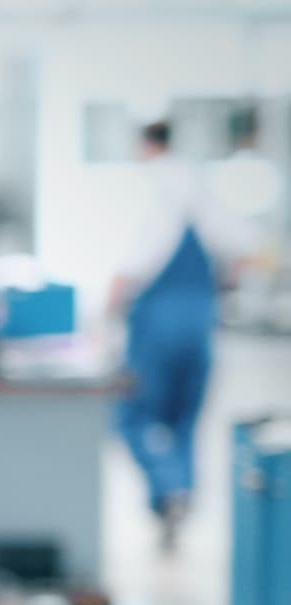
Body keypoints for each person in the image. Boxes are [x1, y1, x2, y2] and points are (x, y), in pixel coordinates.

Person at [112, 119, 251, 551]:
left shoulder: (150, 189)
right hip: (200, 326)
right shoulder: (204, 190)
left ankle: (166, 487)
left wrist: (107, 310)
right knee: (185, 422)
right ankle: (183, 493)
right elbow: (243, 249)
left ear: (146, 145)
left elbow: (136, 262)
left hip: (156, 325)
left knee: (133, 416)